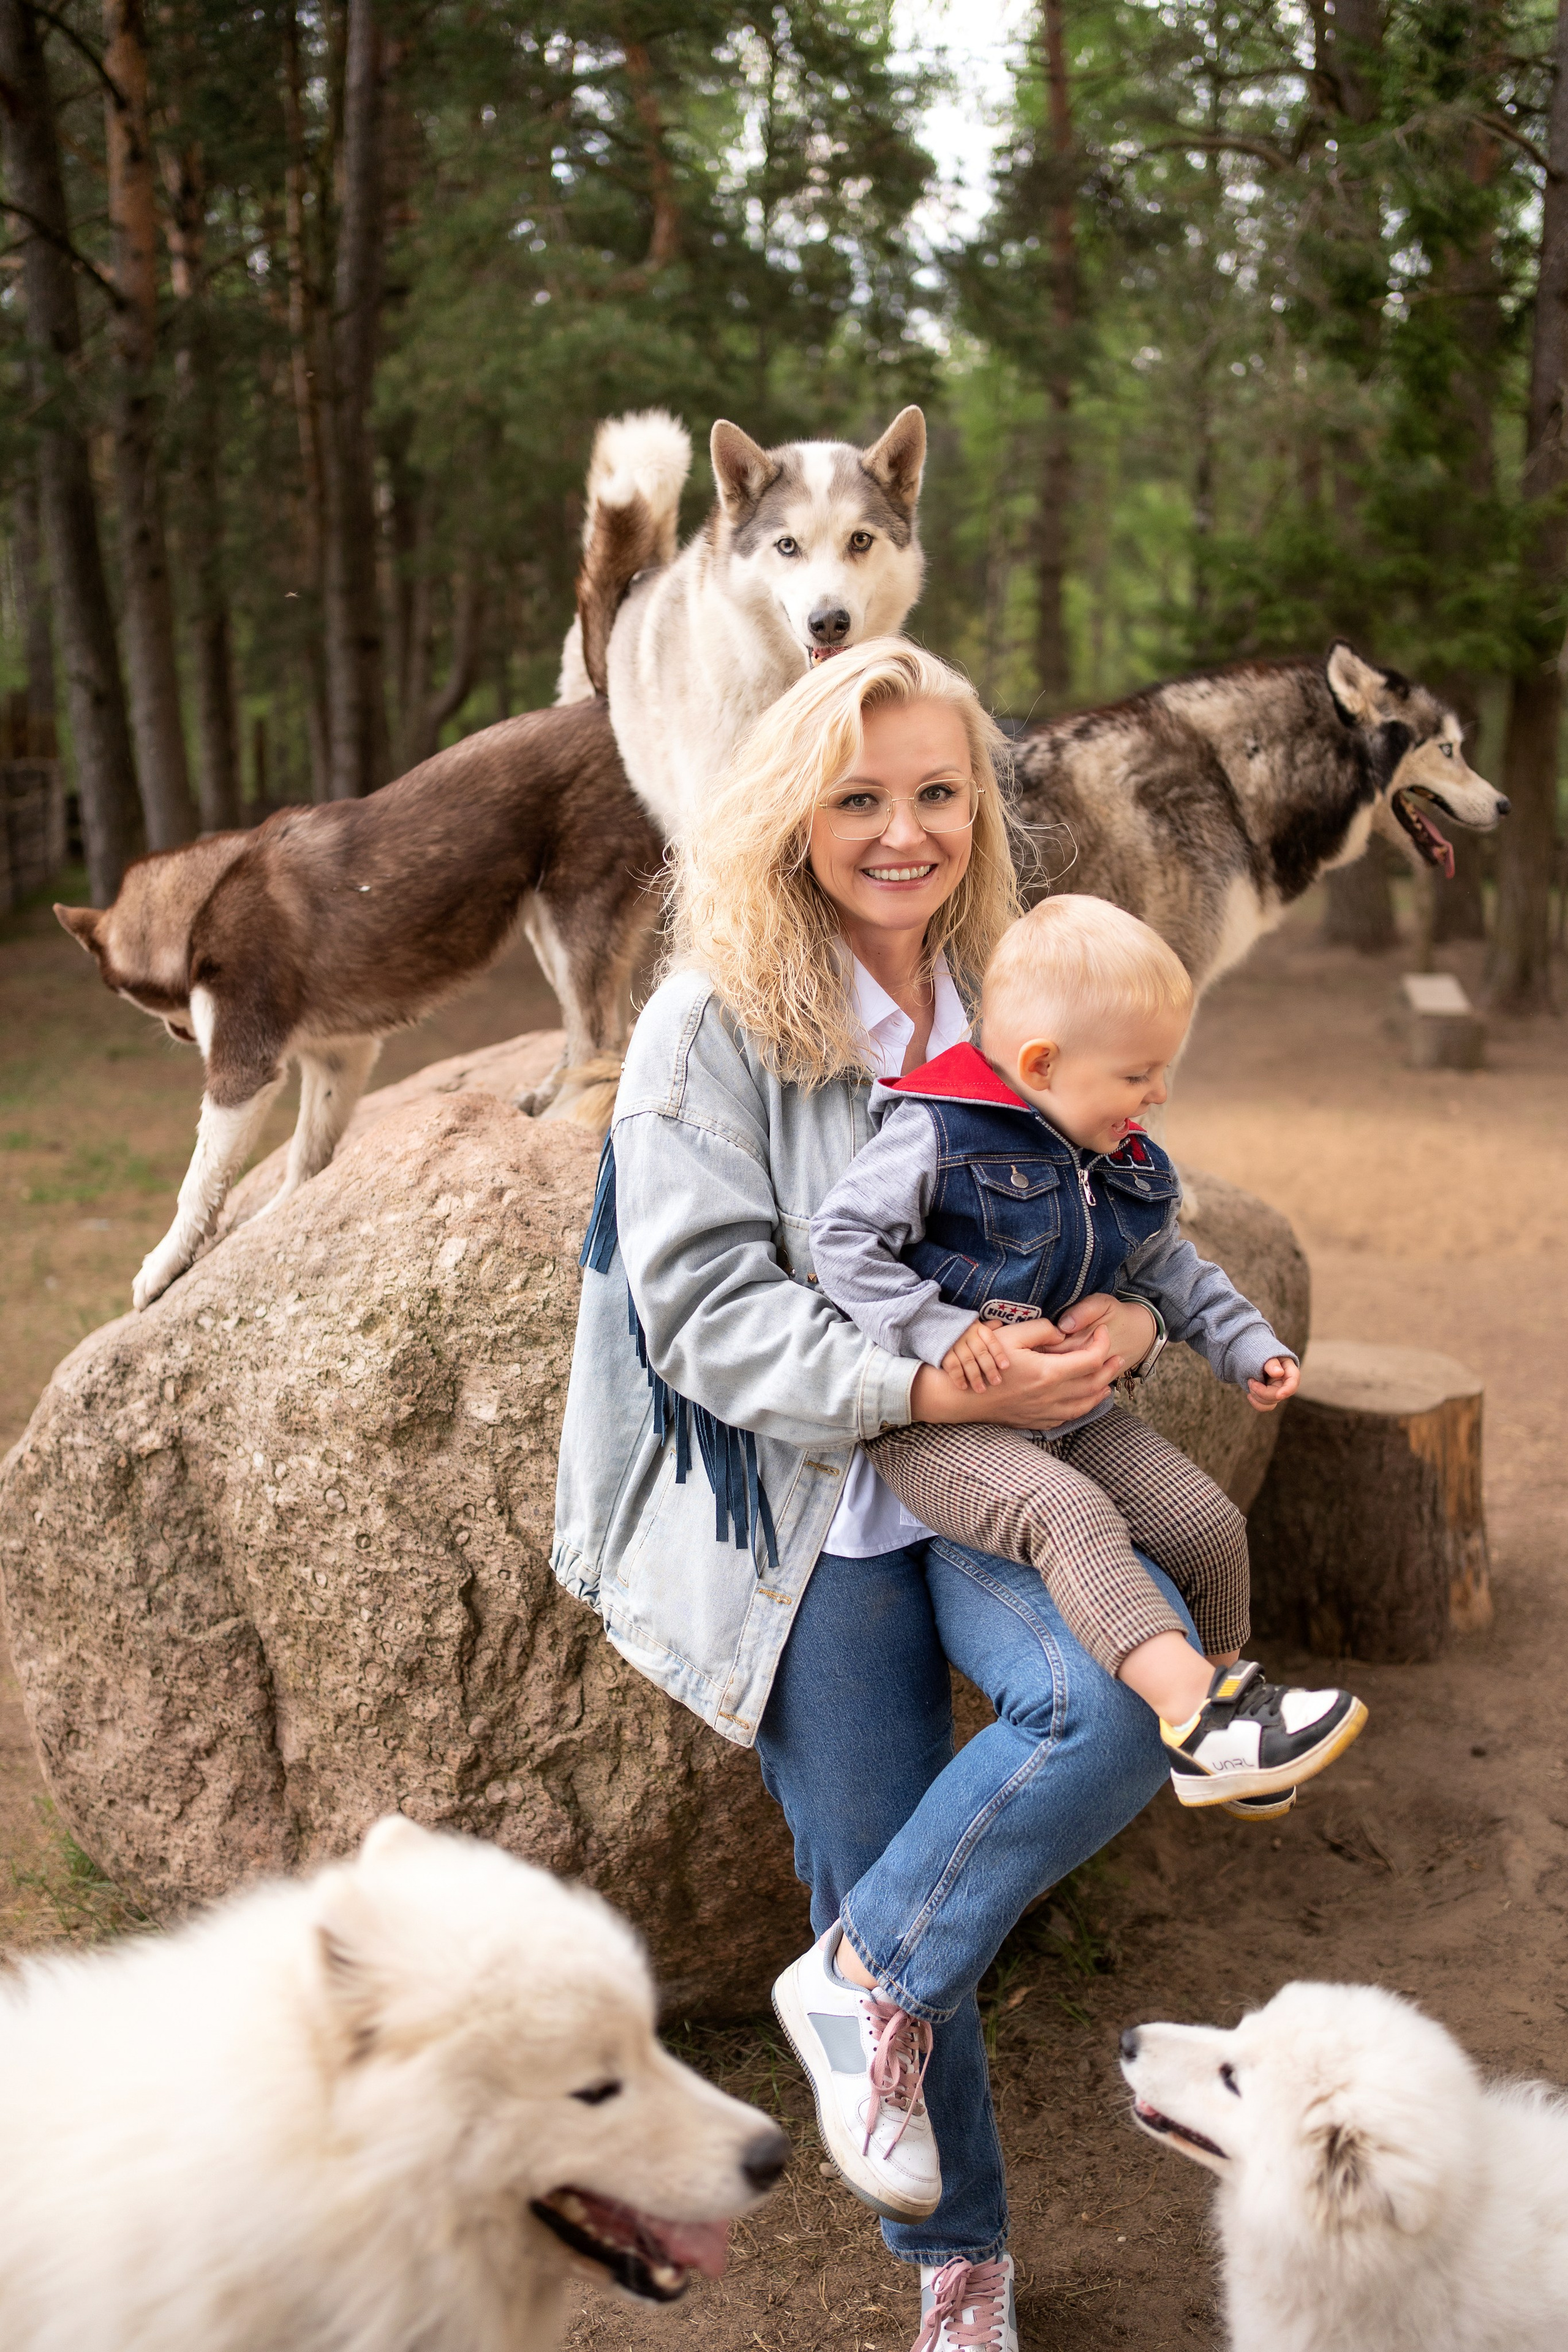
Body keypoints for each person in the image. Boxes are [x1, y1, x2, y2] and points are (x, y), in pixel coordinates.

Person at [553, 639, 1226, 2352]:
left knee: (1101, 1720)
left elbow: (1133, 1198)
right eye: (859, 798)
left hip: (997, 1485)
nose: (904, 831)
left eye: (938, 792)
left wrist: (1131, 1319)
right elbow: (702, 1313)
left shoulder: (1012, 987)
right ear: (791, 814)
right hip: (808, 1514)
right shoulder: (710, 1025)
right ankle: (960, 2267)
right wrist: (926, 1385)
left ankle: (857, 1985)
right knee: (883, 1862)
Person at [808, 890, 1366, 1812]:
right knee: (1070, 1514)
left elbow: (1171, 1268)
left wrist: (1245, 1343)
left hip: (1072, 1412)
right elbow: (842, 1241)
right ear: (1042, 1064)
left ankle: (1231, 1726)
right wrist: (940, 1331)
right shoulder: (938, 1131)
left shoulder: (1124, 1157)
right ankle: (1196, 1714)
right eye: (1140, 1074)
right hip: (943, 1434)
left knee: (1209, 1525)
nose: (1159, 1094)